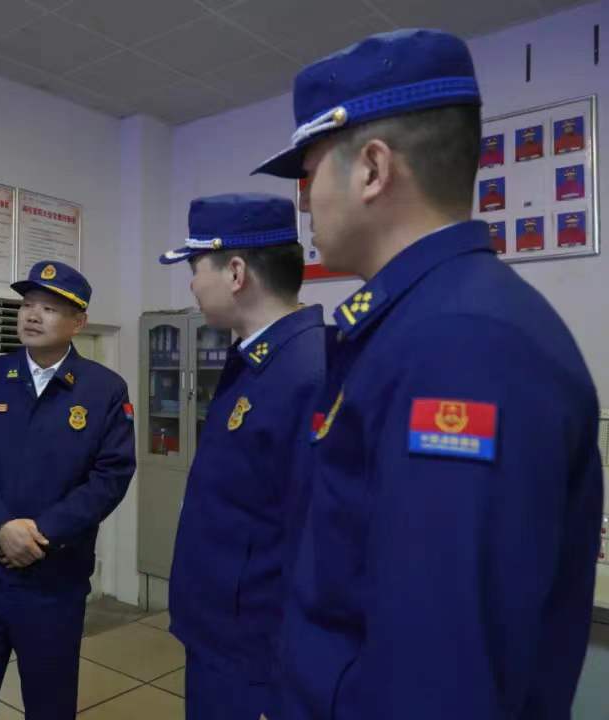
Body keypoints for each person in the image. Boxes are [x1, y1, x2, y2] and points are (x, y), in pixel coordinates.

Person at [253, 28, 603, 718]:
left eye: (310, 170)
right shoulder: (422, 323)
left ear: (372, 169)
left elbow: (442, 672)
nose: (303, 201)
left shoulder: (462, 346)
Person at [0, 260, 136, 720]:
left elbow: (111, 476)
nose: (31, 315)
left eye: (48, 308)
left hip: (53, 580)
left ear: (78, 323)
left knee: (50, 702)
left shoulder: (103, 389)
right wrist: (1, 527)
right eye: (27, 304)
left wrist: (39, 533)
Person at [159, 193, 327, 720]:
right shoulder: (256, 357)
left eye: (194, 267)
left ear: (235, 272)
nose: (190, 283)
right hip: (222, 637)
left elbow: (319, 546)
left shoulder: (310, 370)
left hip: (259, 657)